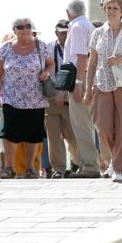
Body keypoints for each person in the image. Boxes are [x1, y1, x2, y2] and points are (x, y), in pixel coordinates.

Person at [84, 0, 122, 182]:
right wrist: (88, 88)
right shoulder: (97, 33)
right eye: (108, 7)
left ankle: (118, 168)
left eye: (115, 8)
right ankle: (115, 160)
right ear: (104, 10)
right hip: (102, 84)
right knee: (103, 127)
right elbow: (92, 64)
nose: (111, 11)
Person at [0, 18, 54, 179]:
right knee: (10, 131)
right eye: (20, 27)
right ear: (14, 29)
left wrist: (47, 73)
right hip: (11, 97)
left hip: (35, 97)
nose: (24, 29)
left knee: (33, 133)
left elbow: (50, 64)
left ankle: (30, 168)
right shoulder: (6, 47)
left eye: (27, 26)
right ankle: (9, 167)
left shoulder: (40, 45)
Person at [64, 0, 100, 178]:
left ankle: (90, 166)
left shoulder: (77, 27)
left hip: (80, 78)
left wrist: (78, 85)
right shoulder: (88, 25)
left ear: (68, 13)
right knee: (84, 124)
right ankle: (86, 164)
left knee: (82, 124)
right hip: (87, 77)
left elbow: (81, 58)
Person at [44, 19, 78, 178]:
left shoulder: (76, 47)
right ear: (56, 32)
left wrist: (64, 91)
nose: (64, 35)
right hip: (51, 96)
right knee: (54, 136)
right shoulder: (49, 47)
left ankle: (77, 163)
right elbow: (44, 70)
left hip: (70, 97)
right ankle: (58, 169)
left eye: (67, 32)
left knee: (73, 135)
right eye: (61, 32)